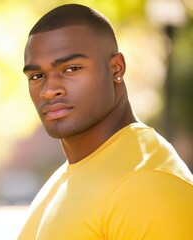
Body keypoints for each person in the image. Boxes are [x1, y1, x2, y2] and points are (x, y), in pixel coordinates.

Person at [17, 4, 193, 240]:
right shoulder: (69, 174)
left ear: (116, 68)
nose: (48, 91)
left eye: (71, 69)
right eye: (37, 76)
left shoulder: (146, 183)